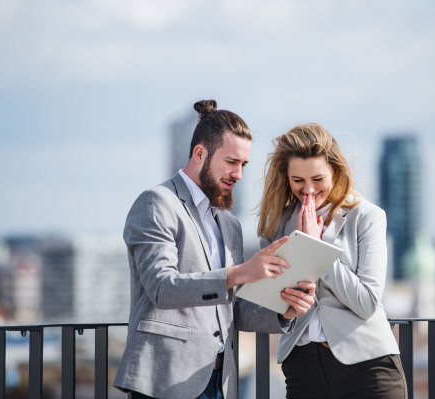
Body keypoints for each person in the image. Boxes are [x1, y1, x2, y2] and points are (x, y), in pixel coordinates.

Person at [113, 100, 316, 399]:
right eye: (232, 162)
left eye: (244, 165)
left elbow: (228, 308)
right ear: (199, 153)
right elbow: (161, 288)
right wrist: (240, 273)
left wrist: (283, 313)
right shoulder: (157, 203)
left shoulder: (229, 225)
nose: (239, 174)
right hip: (166, 381)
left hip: (220, 381)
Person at [258, 123, 407, 399]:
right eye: (298, 180)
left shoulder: (367, 217)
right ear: (286, 177)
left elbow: (366, 302)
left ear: (335, 171)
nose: (309, 190)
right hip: (303, 370)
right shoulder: (275, 227)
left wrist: (316, 249)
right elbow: (273, 303)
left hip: (367, 368)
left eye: (318, 179)